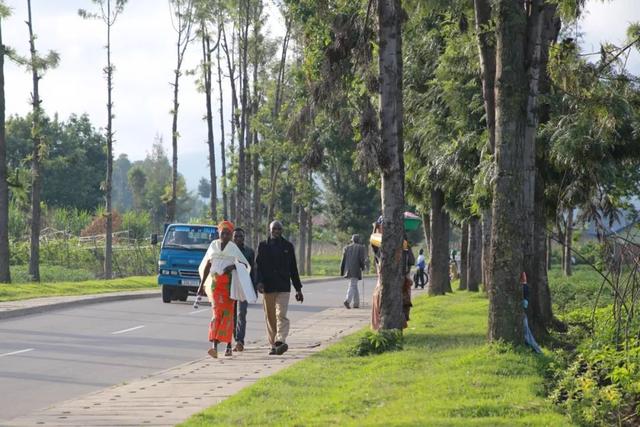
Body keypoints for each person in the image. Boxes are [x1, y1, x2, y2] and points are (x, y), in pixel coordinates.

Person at [197, 220, 250, 359]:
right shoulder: (213, 245)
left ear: (231, 234)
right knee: (216, 314)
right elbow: (208, 265)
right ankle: (214, 346)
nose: (225, 234)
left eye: (228, 233)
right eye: (223, 232)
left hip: (229, 285)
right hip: (215, 285)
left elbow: (244, 264)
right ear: (218, 232)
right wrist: (201, 284)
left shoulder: (233, 248)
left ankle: (228, 345)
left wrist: (233, 267)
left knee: (228, 315)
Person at [256, 220, 304, 356]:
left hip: (283, 286)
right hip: (268, 286)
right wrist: (259, 282)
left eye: (279, 229)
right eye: (274, 229)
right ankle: (273, 345)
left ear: (282, 231)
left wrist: (298, 289)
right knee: (270, 317)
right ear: (269, 230)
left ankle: (280, 340)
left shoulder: (288, 246)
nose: (276, 231)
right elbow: (258, 266)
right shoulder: (263, 246)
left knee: (281, 315)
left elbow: (293, 268)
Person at [232, 227, 255, 352]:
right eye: (235, 236)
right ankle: (235, 339)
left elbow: (253, 271)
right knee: (231, 315)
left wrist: (254, 287)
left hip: (244, 286)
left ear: (244, 238)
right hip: (230, 286)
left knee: (241, 314)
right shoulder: (228, 252)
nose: (238, 239)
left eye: (240, 236)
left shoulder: (249, 252)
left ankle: (240, 341)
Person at [340, 234, 367, 309]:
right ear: (358, 240)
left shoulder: (346, 247)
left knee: (354, 285)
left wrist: (342, 270)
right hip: (356, 269)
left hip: (348, 269)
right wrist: (363, 267)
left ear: (352, 240)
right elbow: (361, 259)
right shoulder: (361, 248)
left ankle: (356, 303)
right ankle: (347, 301)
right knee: (352, 285)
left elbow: (343, 260)